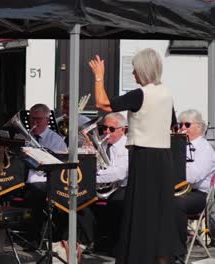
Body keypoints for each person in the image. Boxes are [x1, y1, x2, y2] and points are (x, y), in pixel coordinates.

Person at [89, 48, 183, 263]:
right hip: (164, 158)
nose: (133, 73)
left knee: (141, 210)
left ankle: (138, 257)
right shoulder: (166, 93)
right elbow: (171, 124)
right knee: (160, 212)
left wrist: (99, 76)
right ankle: (160, 256)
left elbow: (103, 104)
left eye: (134, 69)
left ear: (143, 69)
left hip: (144, 157)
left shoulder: (141, 94)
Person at [24, 103, 67, 247]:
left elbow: (59, 167)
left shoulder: (56, 140)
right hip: (25, 180)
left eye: (38, 119)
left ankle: (33, 238)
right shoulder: (26, 137)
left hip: (44, 181)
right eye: (32, 119)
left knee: (35, 195)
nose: (34, 123)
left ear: (47, 120)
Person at [175, 109, 215, 252]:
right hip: (177, 190)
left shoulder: (205, 149)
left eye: (187, 125)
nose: (182, 128)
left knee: (175, 204)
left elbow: (192, 177)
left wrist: (175, 159)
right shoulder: (179, 145)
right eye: (180, 125)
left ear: (199, 127)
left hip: (197, 194)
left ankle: (177, 251)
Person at [92, 112, 128, 253]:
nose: (106, 132)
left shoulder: (127, 147)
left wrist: (93, 177)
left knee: (117, 202)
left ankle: (114, 244)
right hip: (103, 187)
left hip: (122, 187)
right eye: (104, 128)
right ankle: (89, 241)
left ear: (122, 129)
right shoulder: (101, 143)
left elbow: (119, 173)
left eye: (111, 129)